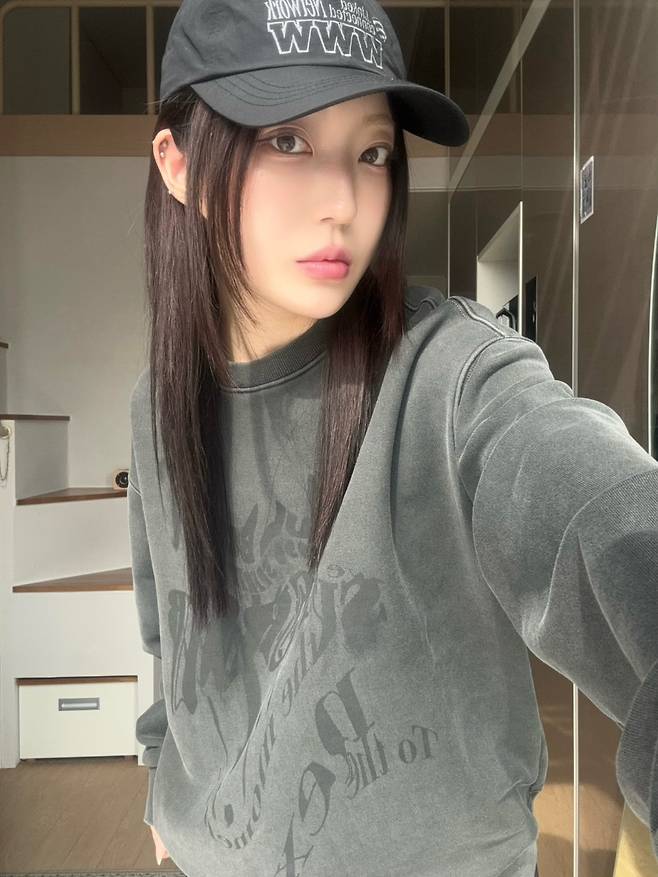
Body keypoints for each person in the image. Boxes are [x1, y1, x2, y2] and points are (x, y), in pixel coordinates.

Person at [127, 0, 658, 874]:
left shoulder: (451, 375)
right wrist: (162, 773)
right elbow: (171, 622)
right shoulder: (159, 404)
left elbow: (599, 512)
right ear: (178, 165)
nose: (344, 200)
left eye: (373, 152)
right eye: (288, 140)